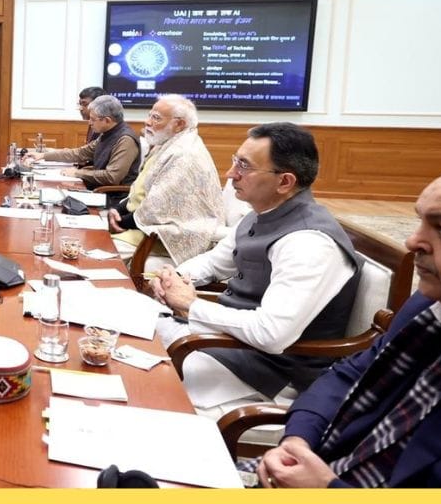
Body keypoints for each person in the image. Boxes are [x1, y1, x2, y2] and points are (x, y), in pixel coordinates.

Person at [257, 168, 441, 489]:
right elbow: (351, 373)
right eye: (420, 221)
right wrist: (298, 440)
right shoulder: (429, 304)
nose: (412, 241)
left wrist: (326, 489)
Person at [151, 122, 362, 416]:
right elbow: (214, 262)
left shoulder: (309, 243)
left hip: (266, 372)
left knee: (139, 383)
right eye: (235, 161)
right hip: (224, 343)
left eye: (244, 166)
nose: (230, 174)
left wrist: (192, 305)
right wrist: (175, 278)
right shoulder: (261, 213)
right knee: (120, 330)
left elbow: (271, 334)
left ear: (284, 182)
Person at [109, 94, 223, 262]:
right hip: (142, 225)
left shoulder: (184, 154)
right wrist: (118, 210)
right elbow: (141, 191)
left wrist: (120, 222)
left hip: (164, 235)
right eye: (149, 115)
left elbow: (157, 208)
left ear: (179, 124)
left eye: (156, 118)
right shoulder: (168, 144)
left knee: (96, 251)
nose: (148, 122)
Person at [28, 94, 140, 187]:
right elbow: (80, 153)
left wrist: (78, 173)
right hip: (97, 188)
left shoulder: (125, 140)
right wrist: (43, 155)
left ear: (107, 120)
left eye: (93, 119)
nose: (89, 123)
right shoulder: (107, 133)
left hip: (112, 196)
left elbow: (112, 177)